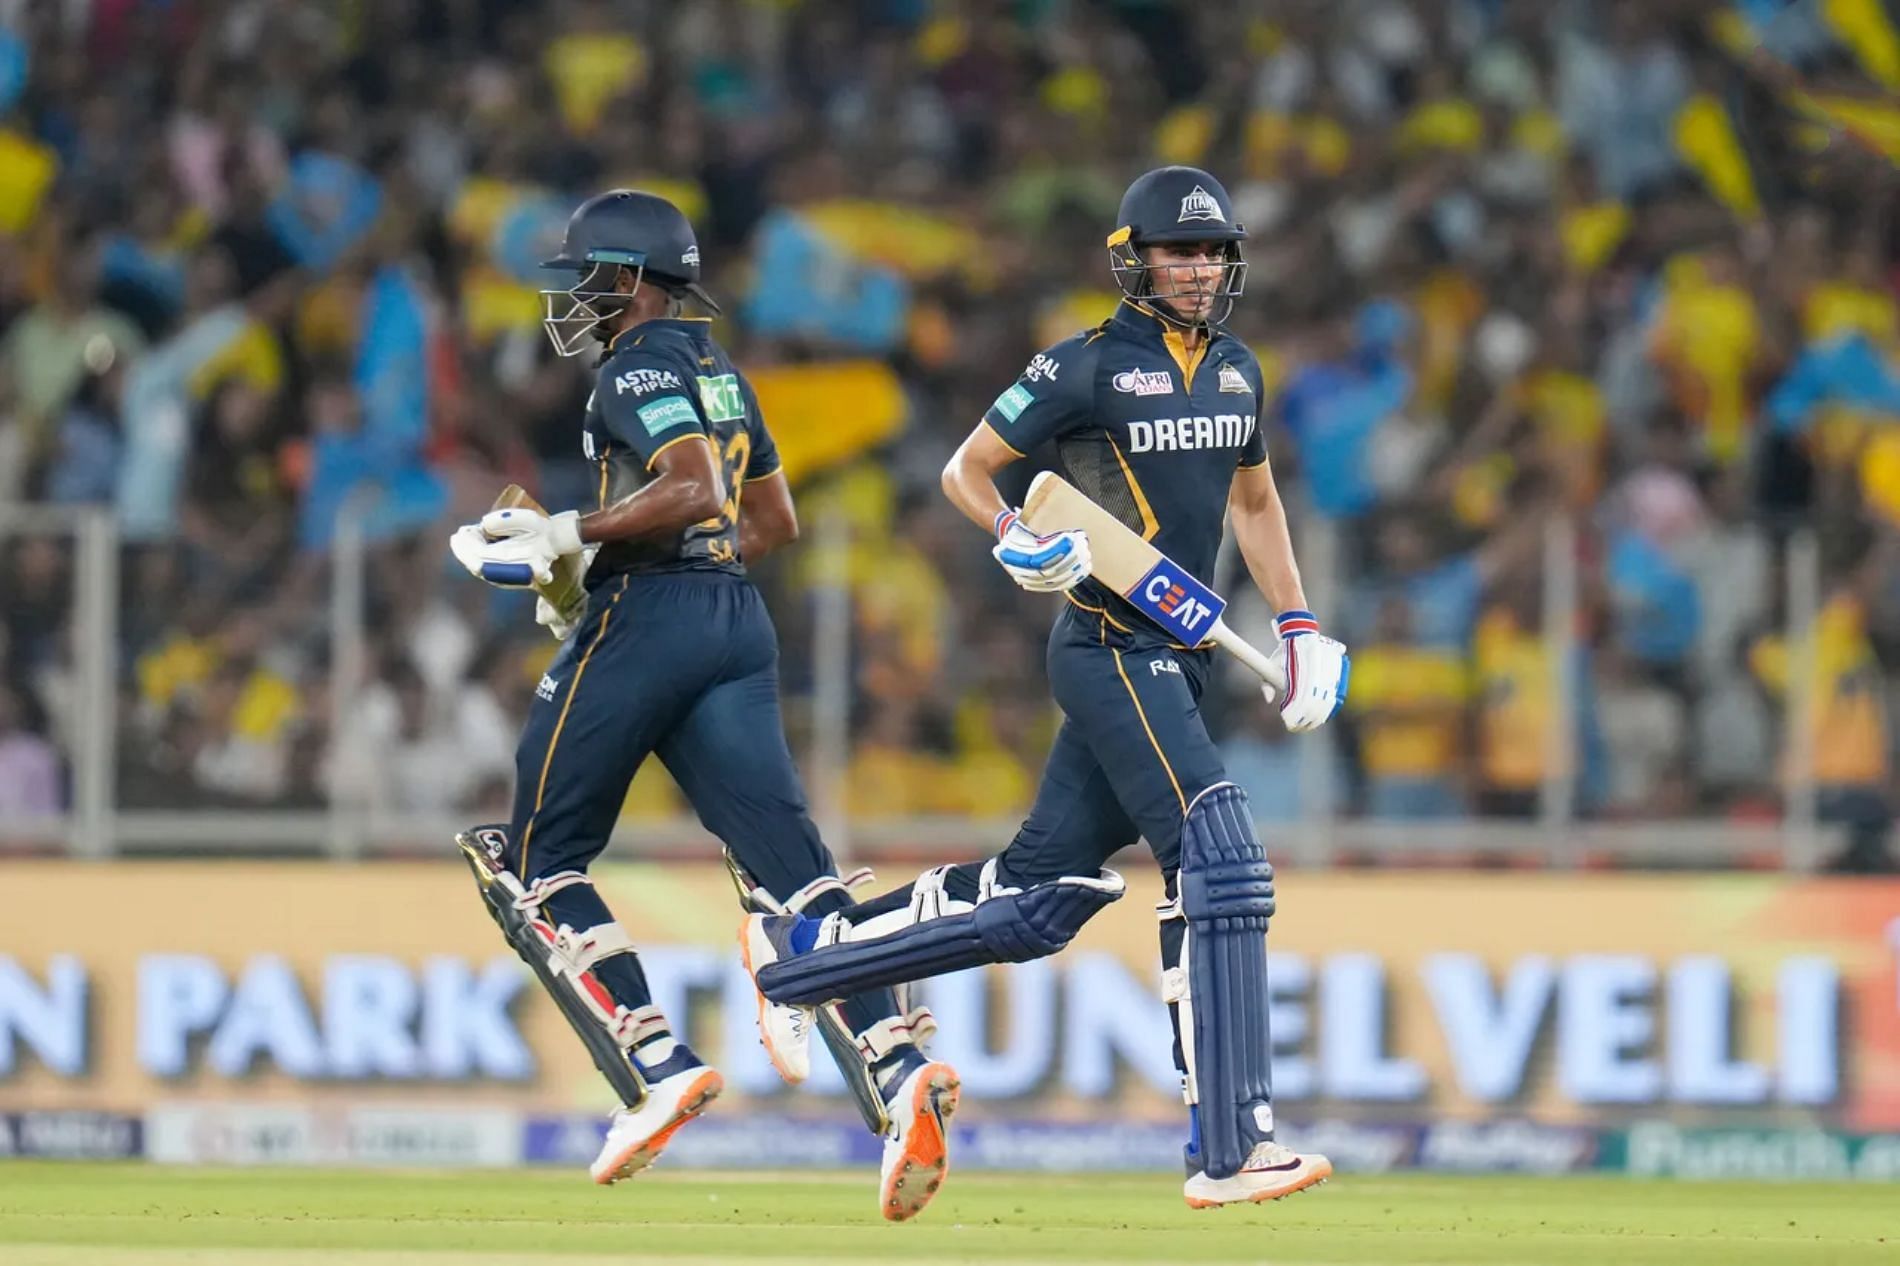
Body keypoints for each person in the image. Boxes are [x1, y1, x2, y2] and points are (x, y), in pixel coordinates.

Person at [739, 167, 1350, 1209]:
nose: (1197, 270)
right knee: (1221, 856)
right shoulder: (1082, 368)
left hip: (1187, 655)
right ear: (1134, 259)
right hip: (1110, 643)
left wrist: (1295, 622)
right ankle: (1230, 1147)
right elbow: (966, 472)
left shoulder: (1240, 373)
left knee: (1039, 901)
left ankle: (802, 954)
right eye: (1177, 253)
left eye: (1210, 254)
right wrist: (1019, 539)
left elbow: (1253, 502)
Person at [447, 190, 957, 1221]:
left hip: (655, 617)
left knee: (534, 860)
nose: (579, 299)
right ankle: (900, 1071)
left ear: (631, 280)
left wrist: (570, 539)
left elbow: (693, 492)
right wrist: (630, 565)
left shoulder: (633, 367)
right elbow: (769, 519)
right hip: (734, 615)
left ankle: (653, 1063)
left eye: (591, 278)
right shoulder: (723, 372)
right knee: (798, 879)